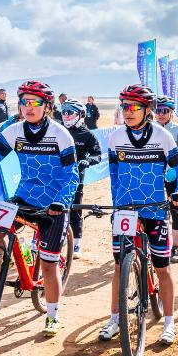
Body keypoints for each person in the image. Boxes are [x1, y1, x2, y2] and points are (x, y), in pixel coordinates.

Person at [0, 80, 78, 337]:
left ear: (47, 106)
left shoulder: (61, 134)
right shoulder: (14, 131)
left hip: (53, 203)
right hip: (24, 197)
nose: (28, 107)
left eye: (35, 102)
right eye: (24, 102)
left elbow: (71, 175)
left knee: (49, 264)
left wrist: (62, 201)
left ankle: (52, 314)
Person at [100, 85, 178, 346]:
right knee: (119, 266)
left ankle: (169, 323)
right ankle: (115, 319)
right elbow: (115, 177)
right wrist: (117, 206)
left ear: (147, 109)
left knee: (162, 268)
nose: (127, 112)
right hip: (125, 210)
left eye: (133, 107)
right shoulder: (116, 137)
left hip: (155, 209)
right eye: (124, 107)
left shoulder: (163, 136)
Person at [61, 100, 102, 259]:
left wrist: (88, 160)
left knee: (75, 209)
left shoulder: (87, 134)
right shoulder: (58, 130)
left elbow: (97, 154)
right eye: (64, 112)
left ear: (80, 115)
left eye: (69, 112)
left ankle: (76, 243)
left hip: (76, 179)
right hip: (56, 178)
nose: (66, 115)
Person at [154, 95, 178, 263]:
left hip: (172, 175)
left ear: (171, 112)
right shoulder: (149, 129)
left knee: (175, 209)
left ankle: (175, 247)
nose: (161, 114)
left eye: (165, 111)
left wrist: (174, 168)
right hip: (153, 175)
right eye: (158, 110)